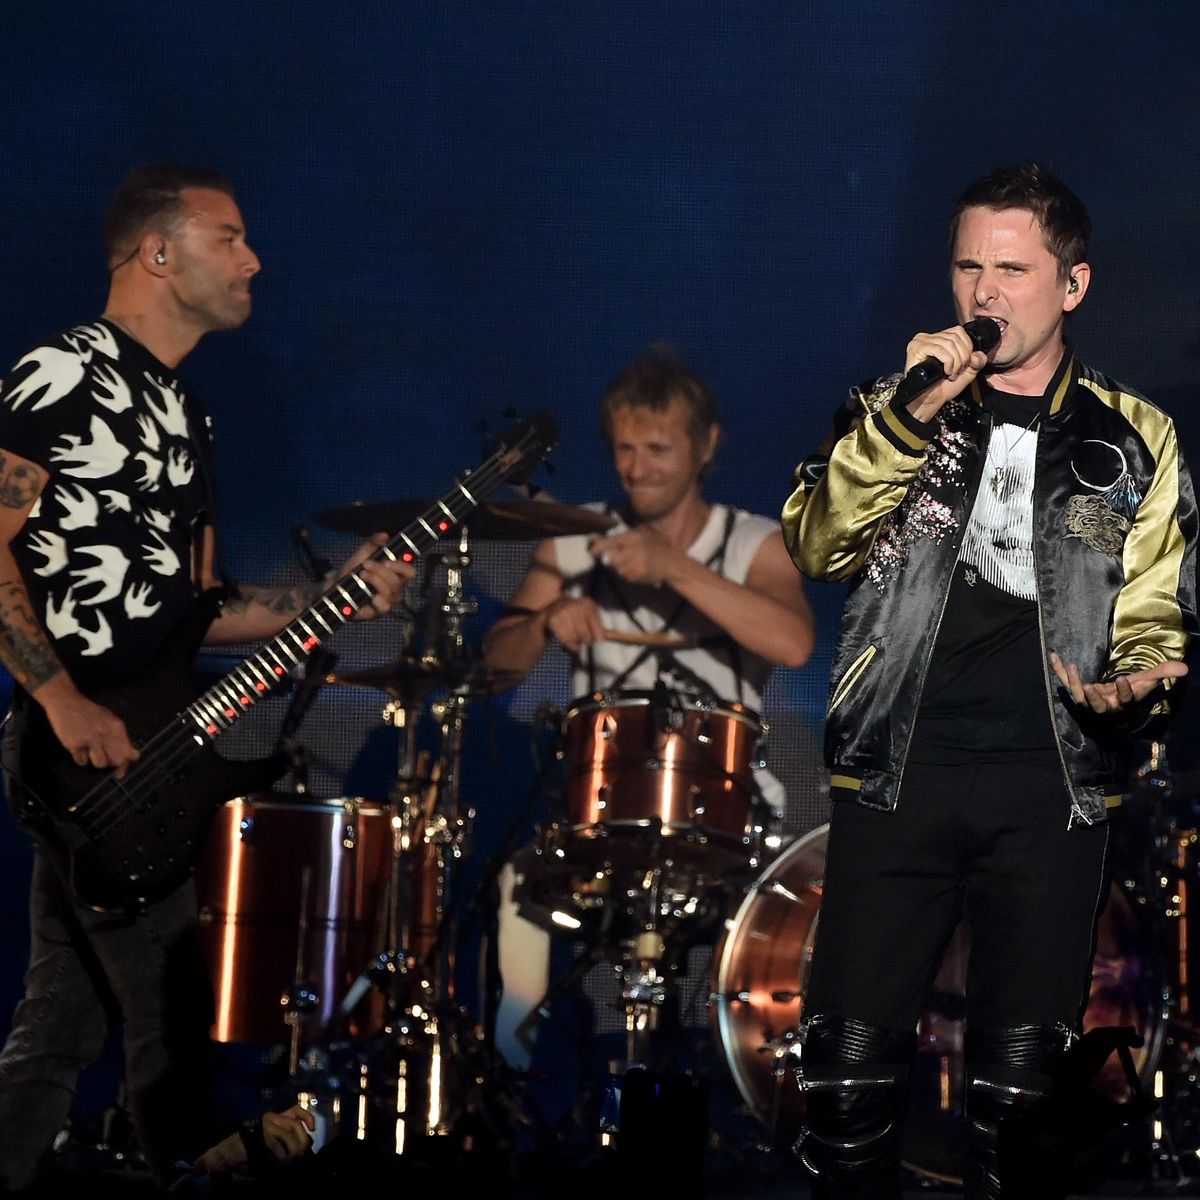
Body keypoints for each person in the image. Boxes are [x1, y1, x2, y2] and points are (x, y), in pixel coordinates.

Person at [781, 161, 1197, 1199]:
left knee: (1020, 1109)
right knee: (844, 1090)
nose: (984, 292)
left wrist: (1138, 683)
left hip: (1048, 787)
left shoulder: (1132, 437)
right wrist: (908, 419)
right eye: (969, 267)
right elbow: (819, 544)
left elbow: (1154, 605)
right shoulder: (893, 408)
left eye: (1012, 270)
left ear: (1073, 285)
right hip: (898, 774)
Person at [0, 163, 414, 1194]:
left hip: (148, 754)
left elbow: (197, 611)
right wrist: (59, 698)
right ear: (158, 253)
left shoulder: (188, 414)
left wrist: (330, 598)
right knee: (176, 1031)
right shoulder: (62, 373)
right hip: (84, 749)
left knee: (56, 1035)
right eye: (228, 238)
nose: (253, 260)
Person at [483, 346, 814, 1070]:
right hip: (601, 811)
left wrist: (674, 567)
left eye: (658, 449)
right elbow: (494, 669)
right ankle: (516, 1077)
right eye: (624, 450)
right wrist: (544, 622)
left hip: (728, 815)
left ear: (706, 445)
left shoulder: (754, 543)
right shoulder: (576, 539)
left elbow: (793, 643)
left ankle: (748, 1082)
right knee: (515, 887)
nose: (637, 469)